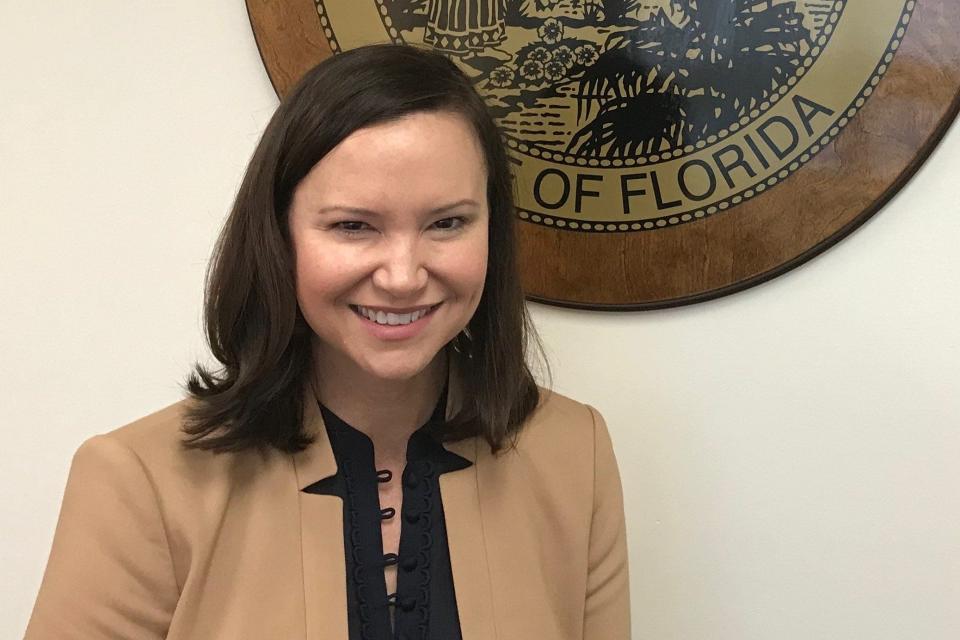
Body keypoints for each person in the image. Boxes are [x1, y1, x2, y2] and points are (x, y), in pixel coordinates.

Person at [24, 43, 629, 639]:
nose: (403, 275)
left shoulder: (578, 456)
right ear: (278, 237)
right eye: (353, 226)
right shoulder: (140, 482)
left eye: (447, 223)